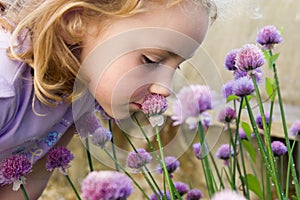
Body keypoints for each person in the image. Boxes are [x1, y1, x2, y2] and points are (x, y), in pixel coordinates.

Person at [0, 0, 216, 199]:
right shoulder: (5, 85)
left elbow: (33, 175)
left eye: (176, 66)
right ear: (74, 22)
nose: (165, 88)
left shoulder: (80, 91)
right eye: (151, 60)